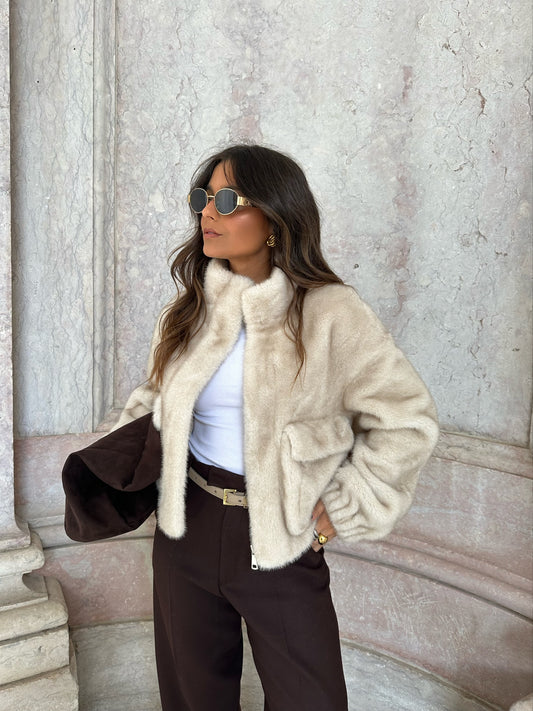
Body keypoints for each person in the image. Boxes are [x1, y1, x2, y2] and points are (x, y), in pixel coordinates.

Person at [114, 144, 439, 710]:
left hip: (280, 535)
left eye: (227, 201)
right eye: (202, 198)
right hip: (185, 528)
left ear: (275, 218)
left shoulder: (331, 312)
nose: (206, 212)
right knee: (192, 699)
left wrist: (347, 503)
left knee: (310, 700)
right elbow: (157, 397)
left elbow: (406, 417)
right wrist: (127, 464)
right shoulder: (188, 311)